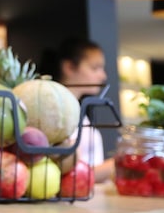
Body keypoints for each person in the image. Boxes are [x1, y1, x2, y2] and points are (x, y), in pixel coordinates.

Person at [43, 37, 113, 183]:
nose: (103, 76)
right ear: (69, 67)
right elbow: (63, 175)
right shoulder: (51, 115)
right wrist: (113, 165)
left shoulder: (78, 112)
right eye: (95, 68)